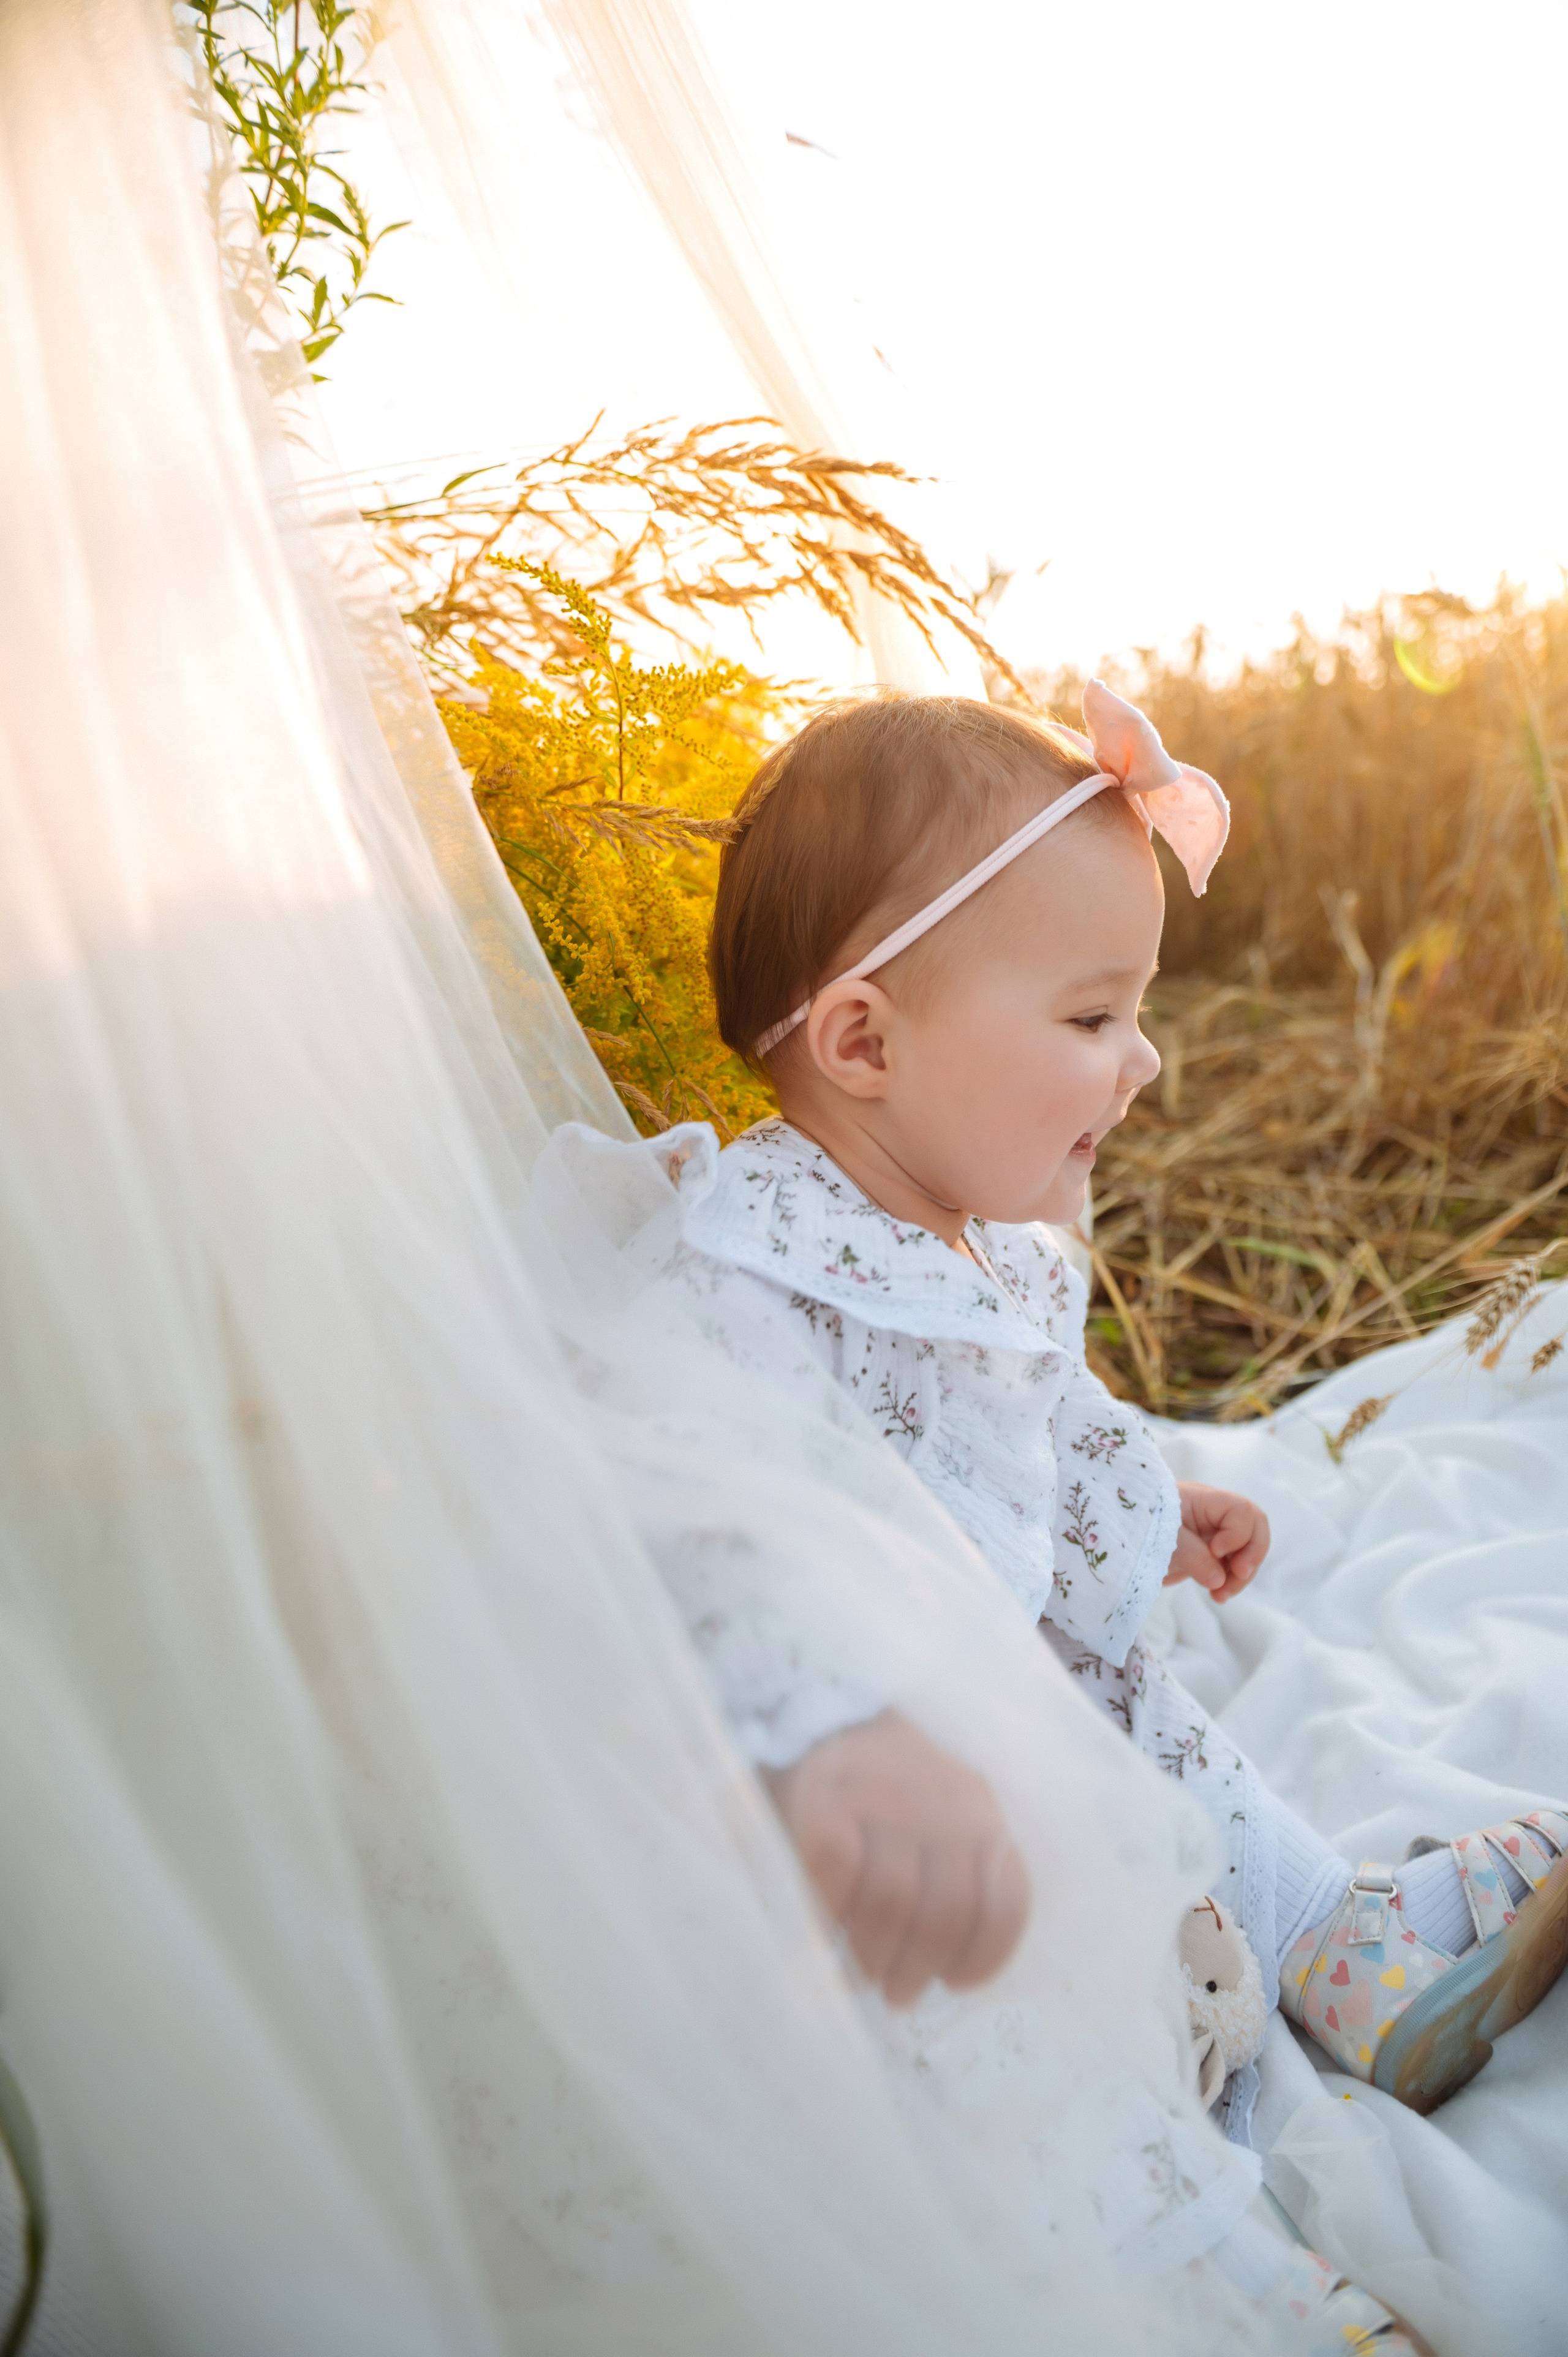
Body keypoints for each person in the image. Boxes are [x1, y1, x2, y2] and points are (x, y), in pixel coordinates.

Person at [546, 681, 1568, 2350]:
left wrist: (1146, 1504)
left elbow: (1031, 1419)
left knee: (1159, 1739)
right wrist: (840, 1731)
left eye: (1137, 1012)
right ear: (865, 1041)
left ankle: (1338, 1946)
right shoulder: (741, 1263)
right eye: (1092, 1019)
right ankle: (1198, 2274)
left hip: (1036, 1695)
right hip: (893, 1798)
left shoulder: (983, 1234)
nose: (1144, 1062)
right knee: (1006, 2025)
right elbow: (681, 1502)